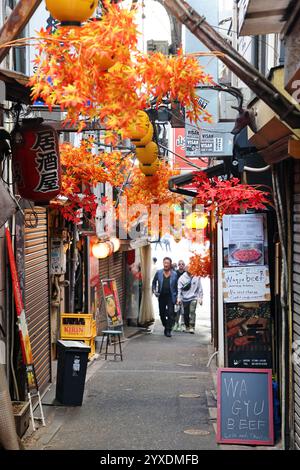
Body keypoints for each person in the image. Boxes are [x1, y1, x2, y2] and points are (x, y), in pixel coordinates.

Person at [152, 257, 178, 337]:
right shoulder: (159, 272)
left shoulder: (174, 274)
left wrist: (178, 297)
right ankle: (166, 325)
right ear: (163, 263)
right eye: (165, 263)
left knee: (170, 313)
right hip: (162, 296)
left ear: (170, 264)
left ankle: (168, 330)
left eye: (167, 263)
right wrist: (155, 291)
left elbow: (177, 286)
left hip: (171, 296)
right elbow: (154, 282)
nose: (166, 264)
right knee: (162, 314)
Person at [177, 265, 203, 334]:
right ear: (185, 269)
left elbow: (199, 288)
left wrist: (200, 298)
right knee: (184, 313)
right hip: (184, 298)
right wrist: (178, 298)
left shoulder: (197, 277)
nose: (190, 269)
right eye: (188, 268)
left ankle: (192, 326)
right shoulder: (181, 278)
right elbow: (179, 289)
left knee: (192, 311)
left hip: (193, 297)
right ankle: (184, 325)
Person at [173, 260, 186, 331]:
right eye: (180, 264)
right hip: (177, 293)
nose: (181, 265)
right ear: (178, 265)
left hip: (185, 294)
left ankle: (182, 324)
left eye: (182, 264)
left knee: (183, 310)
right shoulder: (175, 273)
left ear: (184, 265)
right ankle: (176, 323)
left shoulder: (186, 273)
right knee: (177, 309)